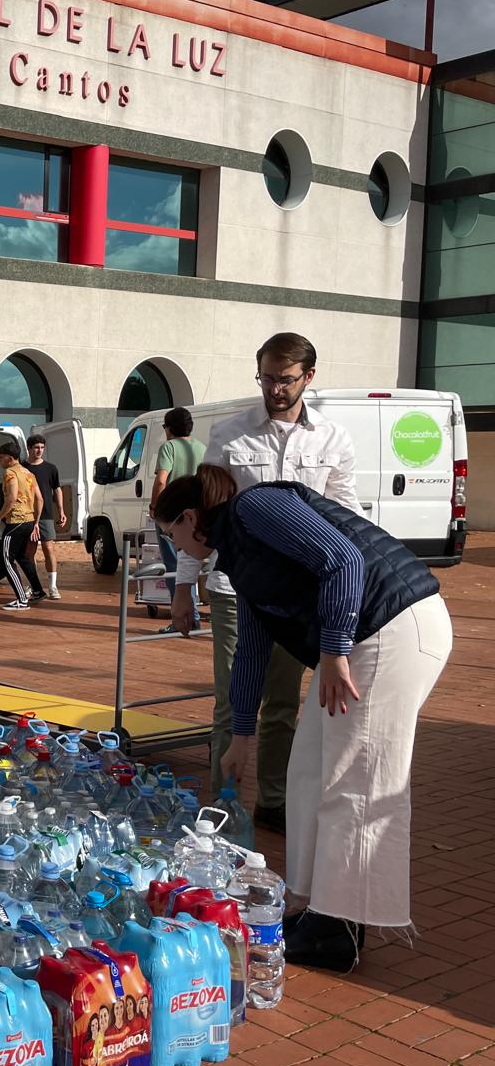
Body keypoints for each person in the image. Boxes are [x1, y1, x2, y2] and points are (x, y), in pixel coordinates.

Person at [154, 464, 450, 971]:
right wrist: (240, 739)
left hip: (394, 627)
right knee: (309, 769)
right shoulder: (239, 559)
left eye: (173, 536)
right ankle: (314, 907)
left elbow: (343, 560)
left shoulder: (255, 507)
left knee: (353, 779)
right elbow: (250, 652)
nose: (177, 549)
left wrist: (333, 651)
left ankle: (340, 929)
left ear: (189, 517)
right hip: (362, 640)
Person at [170, 333, 360, 833]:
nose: (275, 388)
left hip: (298, 598)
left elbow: (347, 516)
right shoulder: (230, 435)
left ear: (308, 378)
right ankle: (220, 803)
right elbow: (202, 513)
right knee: (234, 698)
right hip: (237, 588)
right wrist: (184, 587)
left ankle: (273, 801)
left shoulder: (332, 439)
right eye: (267, 377)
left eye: (286, 379)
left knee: (281, 704)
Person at [150, 407, 205, 610]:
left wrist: (156, 506)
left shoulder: (169, 447)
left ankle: (182, 614)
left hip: (173, 515)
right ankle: (195, 614)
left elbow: (161, 481)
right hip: (197, 514)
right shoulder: (202, 448)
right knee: (192, 562)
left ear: (170, 428)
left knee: (174, 566)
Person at [0, 442, 43, 611]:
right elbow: (40, 499)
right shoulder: (28, 473)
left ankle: (22, 599)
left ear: (10, 457)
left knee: (6, 559)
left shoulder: (10, 473)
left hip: (15, 521)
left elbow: (12, 497)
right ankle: (37, 590)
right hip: (29, 520)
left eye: (1, 458)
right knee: (23, 557)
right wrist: (36, 521)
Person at [23, 434, 65, 600]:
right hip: (27, 515)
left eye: (41, 447)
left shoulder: (51, 468)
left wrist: (61, 510)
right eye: (36, 447)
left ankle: (53, 586)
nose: (39, 450)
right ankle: (33, 585)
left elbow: (57, 489)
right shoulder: (22, 467)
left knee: (49, 549)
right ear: (29, 448)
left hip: (47, 514)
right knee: (29, 552)